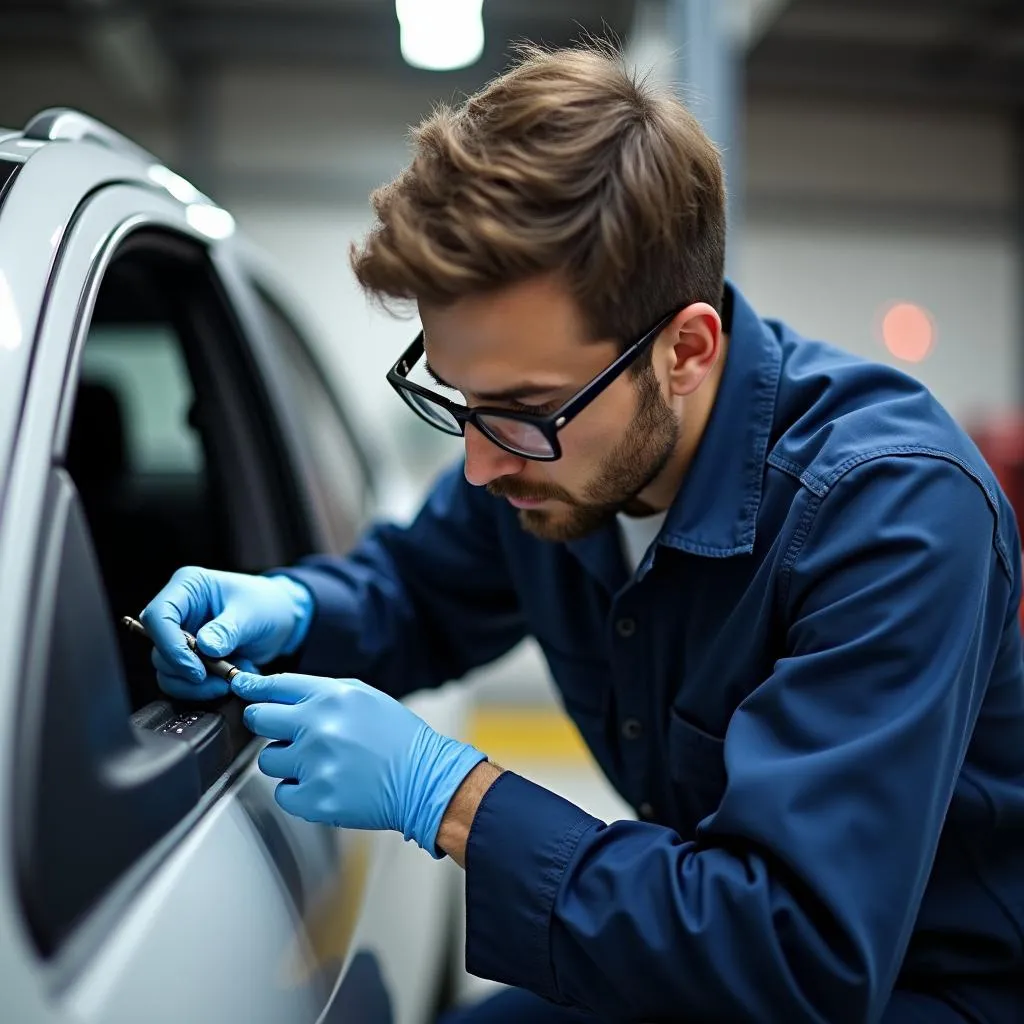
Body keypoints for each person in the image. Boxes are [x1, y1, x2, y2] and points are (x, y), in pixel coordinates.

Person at [141, 42, 1024, 1024]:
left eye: (520, 409)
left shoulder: (890, 514)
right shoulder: (549, 451)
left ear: (685, 350)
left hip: (911, 989)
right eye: (460, 400)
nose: (480, 464)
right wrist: (294, 605)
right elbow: (418, 591)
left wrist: (452, 796)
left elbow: (798, 952)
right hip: (712, 938)